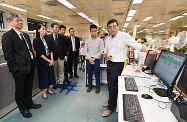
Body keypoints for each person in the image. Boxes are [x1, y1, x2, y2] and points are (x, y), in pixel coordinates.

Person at [102, 19, 161, 117]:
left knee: (113, 86)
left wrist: (150, 51)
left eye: (114, 26)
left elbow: (137, 45)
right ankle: (110, 101)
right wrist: (107, 54)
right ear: (108, 28)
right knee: (110, 85)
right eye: (110, 27)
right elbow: (105, 50)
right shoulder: (107, 38)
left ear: (117, 27)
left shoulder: (124, 36)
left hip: (118, 65)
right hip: (110, 63)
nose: (112, 29)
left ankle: (110, 108)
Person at [2, 13, 41, 118]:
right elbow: (8, 56)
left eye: (21, 20)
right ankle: (23, 109)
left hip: (30, 66)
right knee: (20, 90)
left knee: (28, 87)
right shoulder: (8, 36)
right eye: (17, 21)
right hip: (19, 69)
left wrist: (33, 63)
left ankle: (30, 103)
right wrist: (15, 70)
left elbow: (29, 51)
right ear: (10, 22)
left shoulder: (25, 35)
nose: (20, 22)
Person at [33, 24, 56, 100]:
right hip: (42, 62)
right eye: (43, 29)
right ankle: (44, 92)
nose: (44, 31)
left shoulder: (47, 39)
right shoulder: (36, 40)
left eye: (45, 29)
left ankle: (49, 89)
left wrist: (52, 60)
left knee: (50, 75)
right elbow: (39, 53)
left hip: (49, 59)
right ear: (38, 30)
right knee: (43, 77)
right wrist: (49, 60)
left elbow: (51, 50)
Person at [47, 23, 68, 89]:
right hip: (53, 57)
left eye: (58, 27)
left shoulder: (61, 36)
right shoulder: (48, 37)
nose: (57, 29)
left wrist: (65, 55)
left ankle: (61, 82)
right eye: (56, 27)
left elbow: (64, 47)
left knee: (61, 70)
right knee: (54, 71)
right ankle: (55, 82)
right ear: (52, 28)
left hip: (61, 56)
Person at [85, 24, 104, 93]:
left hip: (97, 59)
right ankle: (89, 86)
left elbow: (101, 50)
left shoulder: (100, 41)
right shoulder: (87, 41)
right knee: (89, 74)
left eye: (95, 31)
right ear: (90, 31)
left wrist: (94, 58)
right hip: (88, 59)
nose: (94, 33)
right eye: (92, 31)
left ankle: (97, 87)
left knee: (97, 74)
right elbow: (85, 50)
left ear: (97, 31)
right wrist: (90, 58)